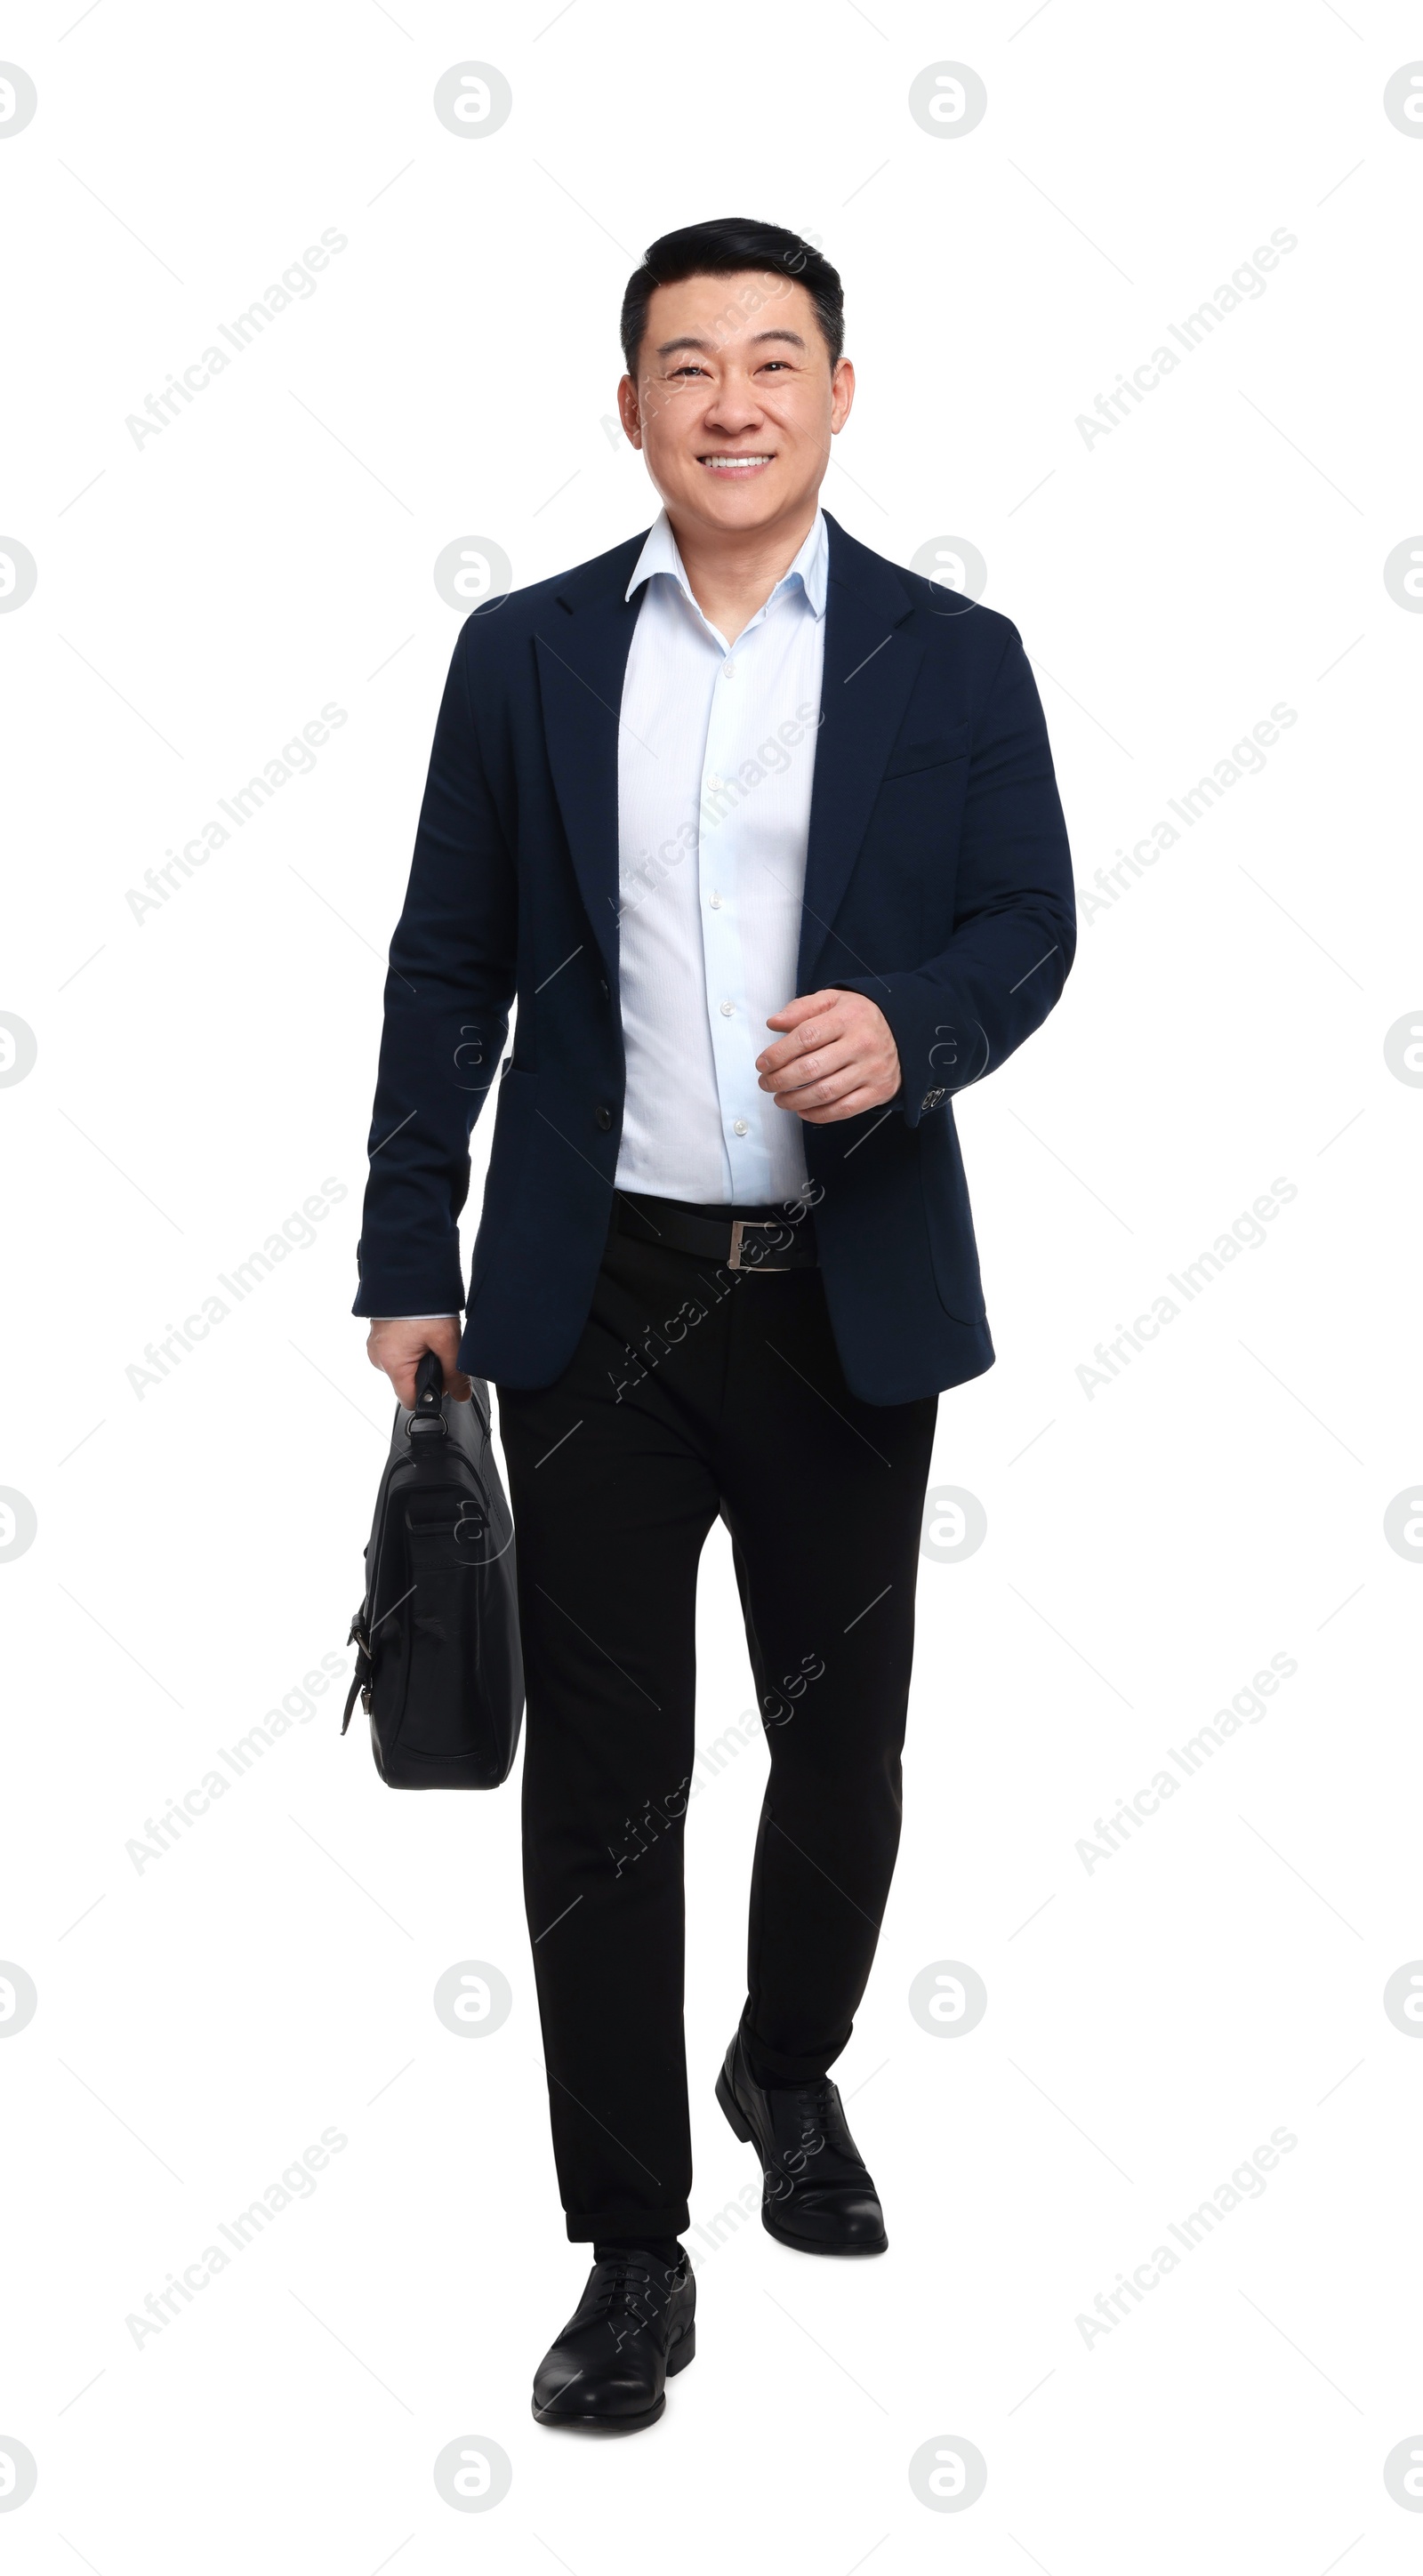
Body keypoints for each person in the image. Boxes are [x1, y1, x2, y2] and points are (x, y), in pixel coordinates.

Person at [354, 215, 1074, 2432]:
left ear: (841, 395)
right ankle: (631, 2245)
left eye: (776, 360)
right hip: (596, 1296)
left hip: (841, 1291)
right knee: (603, 1789)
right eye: (688, 364)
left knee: (835, 1755)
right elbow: (442, 957)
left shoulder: (954, 659)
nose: (734, 400)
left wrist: (916, 1028)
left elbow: (1026, 923)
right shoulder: (529, 653)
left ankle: (788, 2069)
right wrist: (408, 1254)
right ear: (631, 405)